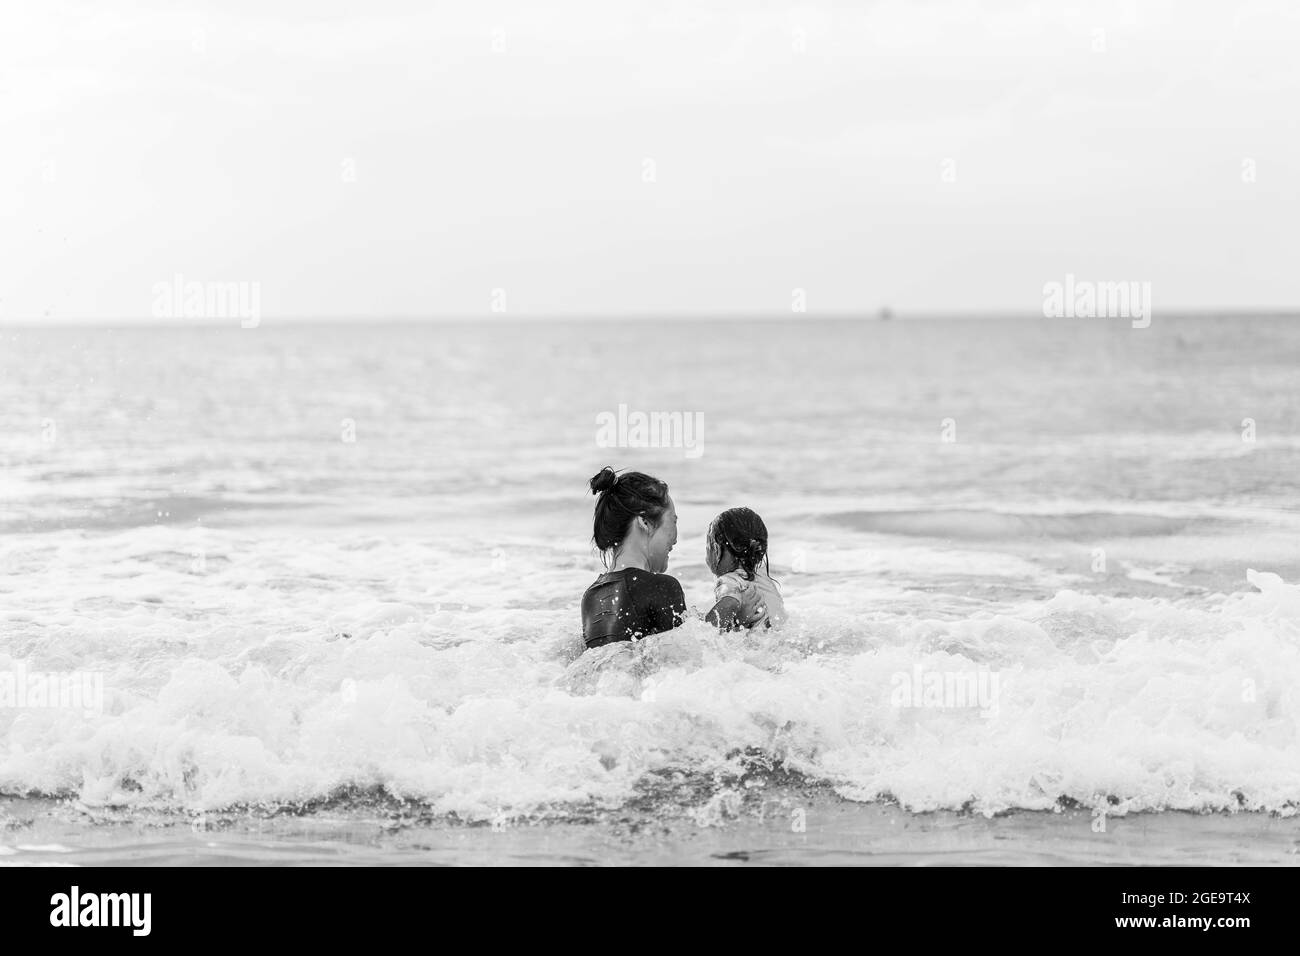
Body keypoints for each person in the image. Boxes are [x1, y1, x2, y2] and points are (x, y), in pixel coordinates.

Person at [580, 467, 685, 649]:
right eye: (673, 521)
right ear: (644, 522)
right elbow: (685, 661)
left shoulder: (591, 596)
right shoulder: (660, 587)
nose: (676, 538)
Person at [703, 507, 786, 630]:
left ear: (717, 547)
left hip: (755, 647)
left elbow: (729, 602)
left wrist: (702, 627)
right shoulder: (763, 578)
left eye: (707, 547)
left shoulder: (729, 580)